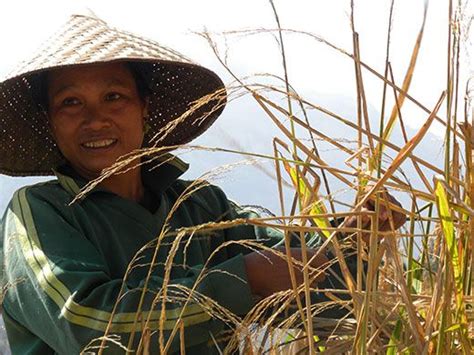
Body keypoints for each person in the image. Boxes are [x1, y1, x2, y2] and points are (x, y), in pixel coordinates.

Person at [0, 13, 405, 354]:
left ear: (145, 108)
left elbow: (299, 267)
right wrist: (244, 278)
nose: (96, 118)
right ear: (51, 121)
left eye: (114, 96)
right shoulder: (39, 213)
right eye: (70, 103)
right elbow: (87, 328)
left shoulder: (200, 205)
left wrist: (352, 238)